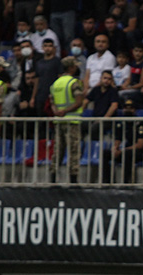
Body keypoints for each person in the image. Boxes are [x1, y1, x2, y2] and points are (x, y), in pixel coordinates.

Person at [49, 56, 84, 184]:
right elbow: (79, 102)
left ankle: (52, 177)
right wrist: (66, 111)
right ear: (71, 68)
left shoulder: (55, 83)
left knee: (58, 150)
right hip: (72, 121)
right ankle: (73, 179)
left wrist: (57, 112)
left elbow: (52, 101)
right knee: (73, 150)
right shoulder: (74, 83)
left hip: (59, 121)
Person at [103, 99, 143, 183]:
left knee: (127, 154)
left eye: (130, 108)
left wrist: (122, 151)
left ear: (134, 110)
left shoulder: (140, 124)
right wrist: (115, 149)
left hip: (140, 152)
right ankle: (107, 181)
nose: (127, 110)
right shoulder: (121, 123)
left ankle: (126, 182)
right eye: (125, 108)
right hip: (126, 150)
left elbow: (140, 144)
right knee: (105, 153)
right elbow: (118, 139)